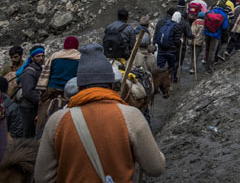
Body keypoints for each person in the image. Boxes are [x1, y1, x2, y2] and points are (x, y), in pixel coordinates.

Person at [34, 43, 165, 182]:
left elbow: (42, 178)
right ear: (111, 84)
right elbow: (155, 168)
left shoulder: (56, 121)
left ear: (79, 85)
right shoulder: (131, 116)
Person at [35, 37, 80, 137]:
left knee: (42, 107)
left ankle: (38, 131)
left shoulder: (54, 56)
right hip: (70, 91)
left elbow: (46, 74)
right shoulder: (80, 57)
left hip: (52, 89)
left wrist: (42, 91)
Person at [17, 45, 45, 138]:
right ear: (32, 58)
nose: (41, 58)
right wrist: (41, 100)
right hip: (28, 109)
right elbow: (28, 92)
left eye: (42, 55)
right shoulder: (29, 72)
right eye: (38, 56)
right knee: (28, 134)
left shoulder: (39, 69)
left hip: (33, 107)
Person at [155, 12, 183, 82]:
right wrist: (180, 42)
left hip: (161, 49)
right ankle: (170, 80)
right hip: (171, 50)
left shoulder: (165, 24)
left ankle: (158, 81)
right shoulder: (177, 27)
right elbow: (176, 41)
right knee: (171, 67)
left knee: (160, 67)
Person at [203, 6, 229, 74]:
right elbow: (224, 27)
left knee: (207, 49)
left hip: (207, 33)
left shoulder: (210, 11)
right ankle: (209, 68)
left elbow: (205, 22)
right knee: (212, 51)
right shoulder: (224, 14)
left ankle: (205, 63)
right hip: (216, 35)